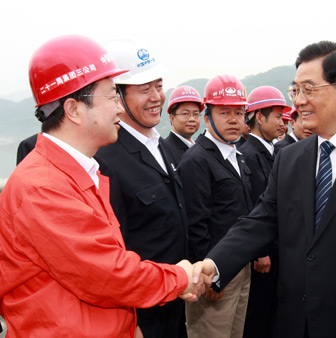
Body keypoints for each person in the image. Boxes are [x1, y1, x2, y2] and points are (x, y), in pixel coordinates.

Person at [196, 41, 336, 338]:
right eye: (296, 90)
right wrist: (214, 265)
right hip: (294, 322)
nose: (299, 101)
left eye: (309, 89)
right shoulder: (290, 157)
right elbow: (262, 220)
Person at [0, 35, 204, 338]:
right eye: (111, 98)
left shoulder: (80, 171)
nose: (118, 110)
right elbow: (107, 274)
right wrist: (179, 278)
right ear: (73, 110)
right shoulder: (42, 187)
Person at [95, 36, 189, 338]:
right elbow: (113, 252)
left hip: (175, 300)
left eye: (158, 86)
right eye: (144, 89)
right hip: (143, 312)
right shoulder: (107, 159)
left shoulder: (160, 146)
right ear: (118, 97)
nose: (156, 96)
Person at [177, 75, 253, 338]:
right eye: (224, 112)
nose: (233, 119)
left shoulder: (235, 155)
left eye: (239, 112)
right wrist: (211, 276)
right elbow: (196, 226)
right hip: (214, 271)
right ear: (207, 117)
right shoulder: (197, 160)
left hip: (239, 265)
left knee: (234, 332)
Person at [239, 85, 290, 338]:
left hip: (276, 251)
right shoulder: (249, 154)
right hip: (264, 256)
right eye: (278, 116)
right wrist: (262, 252)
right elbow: (256, 208)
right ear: (260, 117)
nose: (283, 123)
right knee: (258, 316)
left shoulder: (271, 151)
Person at [165, 85, 204, 166]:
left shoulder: (200, 148)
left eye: (196, 114)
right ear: (172, 118)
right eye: (185, 114)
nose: (192, 119)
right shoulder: (165, 150)